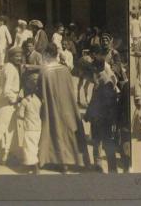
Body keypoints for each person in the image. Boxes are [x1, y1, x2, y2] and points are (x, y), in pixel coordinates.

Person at [38, 44, 90, 172]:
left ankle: (59, 162)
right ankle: (76, 160)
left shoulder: (44, 71)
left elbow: (40, 91)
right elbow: (70, 88)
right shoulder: (65, 69)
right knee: (69, 130)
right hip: (68, 106)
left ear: (47, 55)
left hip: (53, 105)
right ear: (56, 54)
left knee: (55, 129)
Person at [85, 55, 119, 173]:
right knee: (97, 143)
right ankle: (98, 166)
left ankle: (112, 169)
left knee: (106, 143)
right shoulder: (99, 78)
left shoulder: (106, 81)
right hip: (98, 118)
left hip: (104, 119)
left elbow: (108, 103)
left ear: (96, 68)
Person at [0, 47, 23, 164]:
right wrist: (14, 99)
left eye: (20, 56)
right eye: (16, 56)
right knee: (8, 129)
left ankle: (6, 154)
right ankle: (6, 156)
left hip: (5, 101)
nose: (19, 58)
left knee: (7, 128)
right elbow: (6, 90)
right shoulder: (10, 69)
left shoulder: (8, 66)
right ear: (10, 57)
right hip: (8, 102)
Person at [16, 70, 42, 174]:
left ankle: (34, 166)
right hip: (38, 126)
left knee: (28, 147)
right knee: (35, 146)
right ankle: (31, 164)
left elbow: (20, 115)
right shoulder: (38, 100)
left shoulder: (24, 101)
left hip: (29, 127)